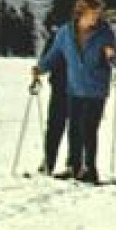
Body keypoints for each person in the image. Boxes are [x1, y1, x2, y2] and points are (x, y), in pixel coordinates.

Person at [33, 0, 116, 185]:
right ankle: (74, 166)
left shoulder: (105, 32)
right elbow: (54, 55)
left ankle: (90, 168)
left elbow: (115, 57)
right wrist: (40, 68)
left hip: (96, 87)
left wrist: (113, 56)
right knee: (74, 128)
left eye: (98, 14)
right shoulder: (65, 33)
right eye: (92, 14)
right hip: (74, 87)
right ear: (81, 13)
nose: (96, 18)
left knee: (89, 128)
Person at [37, 26, 69, 175]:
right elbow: (48, 58)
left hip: (81, 88)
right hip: (61, 86)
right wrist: (40, 69)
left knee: (76, 128)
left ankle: (73, 163)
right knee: (55, 126)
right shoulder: (60, 35)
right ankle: (49, 161)